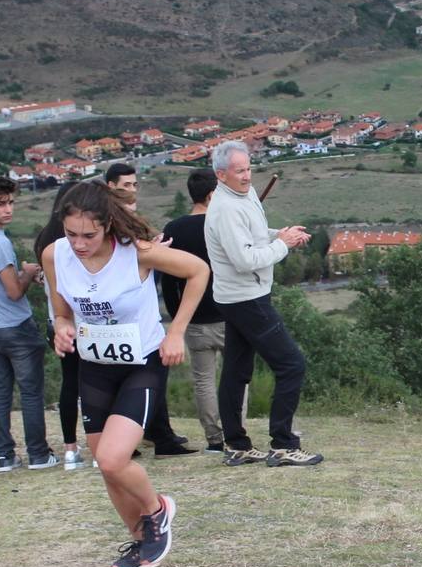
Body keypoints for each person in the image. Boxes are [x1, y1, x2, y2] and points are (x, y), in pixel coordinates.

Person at [42, 179, 210, 567]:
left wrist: (176, 331)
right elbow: (62, 310)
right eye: (71, 234)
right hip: (95, 365)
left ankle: (157, 510)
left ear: (108, 226)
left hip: (141, 363)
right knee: (107, 467)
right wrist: (62, 327)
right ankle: (140, 542)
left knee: (114, 458)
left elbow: (199, 272)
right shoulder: (55, 255)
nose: (79, 244)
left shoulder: (137, 253)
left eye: (89, 235)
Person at [205, 141, 324, 466]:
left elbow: (254, 235)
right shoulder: (226, 208)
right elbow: (245, 260)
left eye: (248, 168)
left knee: (236, 370)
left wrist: (279, 234)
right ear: (221, 174)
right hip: (246, 297)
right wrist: (283, 245)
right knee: (291, 364)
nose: (247, 176)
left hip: (238, 296)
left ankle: (236, 445)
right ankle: (283, 444)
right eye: (239, 171)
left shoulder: (242, 195)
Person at [0, 176, 56, 472]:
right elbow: (13, 291)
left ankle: (5, 456)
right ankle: (39, 455)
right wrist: (29, 272)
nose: (8, 210)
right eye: (0, 204)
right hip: (14, 327)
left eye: (11, 203)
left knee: (0, 392)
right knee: (30, 392)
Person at [103, 162, 192, 454]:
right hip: (127, 323)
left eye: (134, 185)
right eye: (125, 186)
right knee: (143, 379)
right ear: (110, 189)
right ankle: (155, 437)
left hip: (136, 316)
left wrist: (153, 251)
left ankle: (156, 434)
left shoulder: (128, 225)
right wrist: (156, 253)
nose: (131, 191)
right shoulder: (110, 227)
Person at [162, 169, 234, 454]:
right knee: (235, 376)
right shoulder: (223, 225)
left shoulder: (174, 229)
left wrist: (178, 316)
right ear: (211, 195)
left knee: (203, 380)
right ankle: (235, 434)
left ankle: (214, 439)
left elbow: (168, 281)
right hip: (230, 315)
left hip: (193, 319)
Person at [34, 182, 87, 470]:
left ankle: (70, 449)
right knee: (93, 385)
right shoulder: (79, 242)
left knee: (69, 384)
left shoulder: (45, 238)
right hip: (85, 320)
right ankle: (98, 444)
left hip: (56, 321)